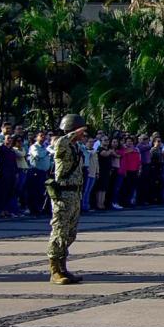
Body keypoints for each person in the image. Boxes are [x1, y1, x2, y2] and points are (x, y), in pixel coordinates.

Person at [47, 115, 92, 284]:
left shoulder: (76, 147)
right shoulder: (61, 143)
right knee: (59, 232)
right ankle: (55, 270)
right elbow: (61, 143)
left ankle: (63, 267)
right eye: (82, 130)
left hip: (74, 194)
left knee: (70, 233)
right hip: (63, 195)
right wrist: (73, 133)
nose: (84, 134)